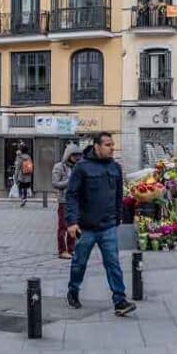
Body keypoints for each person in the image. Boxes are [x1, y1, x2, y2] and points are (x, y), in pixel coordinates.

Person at [65, 132, 136, 317]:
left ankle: (119, 300)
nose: (111, 147)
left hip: (108, 227)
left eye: (112, 144)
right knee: (79, 263)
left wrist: (118, 218)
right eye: (107, 144)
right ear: (96, 146)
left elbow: (119, 196)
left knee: (113, 263)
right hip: (85, 227)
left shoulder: (115, 168)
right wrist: (71, 222)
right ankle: (73, 290)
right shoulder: (82, 168)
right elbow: (71, 195)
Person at [52, 144, 82, 259]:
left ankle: (71, 249)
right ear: (68, 155)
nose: (77, 158)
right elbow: (55, 183)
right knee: (62, 226)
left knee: (73, 225)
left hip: (76, 201)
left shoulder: (78, 167)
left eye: (78, 155)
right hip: (64, 200)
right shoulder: (59, 167)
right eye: (74, 155)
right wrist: (70, 182)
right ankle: (62, 250)